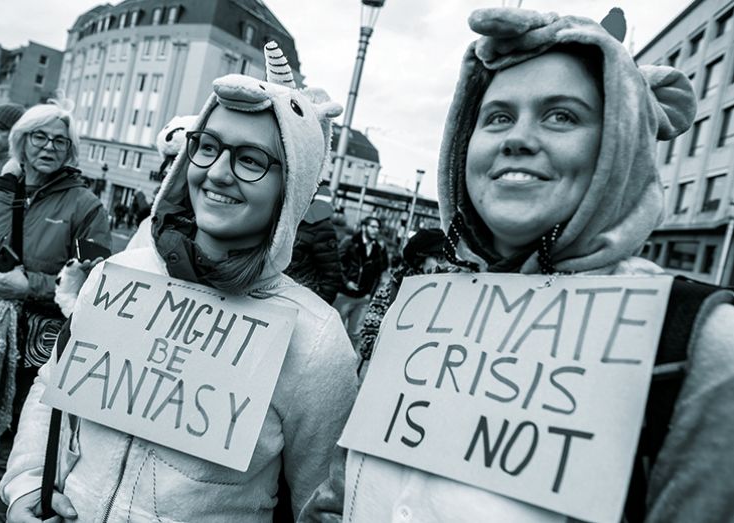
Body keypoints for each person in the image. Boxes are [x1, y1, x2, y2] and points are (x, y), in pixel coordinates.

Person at [300, 7, 734, 523]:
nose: (518, 138)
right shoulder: (422, 303)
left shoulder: (702, 347)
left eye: (561, 115)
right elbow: (338, 494)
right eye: (498, 116)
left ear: (617, 144)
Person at [1, 42, 358, 522]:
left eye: (251, 159)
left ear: (291, 185)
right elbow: (53, 390)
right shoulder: (121, 275)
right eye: (208, 147)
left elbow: (319, 503)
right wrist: (28, 485)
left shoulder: (315, 339)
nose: (217, 173)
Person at [0, 98, 111, 523]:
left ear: (71, 150)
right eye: (39, 136)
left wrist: (31, 287)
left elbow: (98, 287)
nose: (49, 146)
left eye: (60, 140)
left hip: (32, 349)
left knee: (13, 437)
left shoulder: (85, 207)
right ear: (21, 141)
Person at [357, 228, 448, 374]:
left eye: (449, 258)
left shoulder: (448, 296)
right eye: (440, 258)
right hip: (392, 376)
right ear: (420, 259)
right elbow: (367, 348)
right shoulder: (391, 291)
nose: (446, 265)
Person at [333, 215, 388, 350]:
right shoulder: (350, 242)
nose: (376, 230)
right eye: (373, 227)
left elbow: (380, 271)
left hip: (363, 298)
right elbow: (337, 264)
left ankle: (348, 364)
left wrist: (370, 294)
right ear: (364, 227)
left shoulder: (378, 248)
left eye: (378, 228)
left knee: (355, 334)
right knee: (335, 331)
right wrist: (346, 282)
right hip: (344, 294)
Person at [286, 185, 343, 304]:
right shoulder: (282, 217)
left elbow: (332, 276)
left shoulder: (321, 227)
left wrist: (314, 306)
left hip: (296, 300)